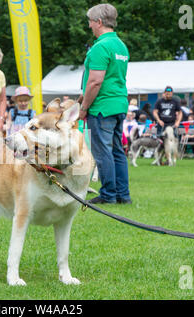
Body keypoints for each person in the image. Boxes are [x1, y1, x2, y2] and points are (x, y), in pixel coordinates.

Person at [78, 3, 131, 205]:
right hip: (118, 104)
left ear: (99, 22)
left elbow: (96, 81)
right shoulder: (120, 46)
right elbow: (110, 78)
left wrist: (84, 108)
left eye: (90, 22)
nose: (89, 26)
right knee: (117, 151)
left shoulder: (100, 47)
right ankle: (122, 195)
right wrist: (83, 97)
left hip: (101, 107)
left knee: (103, 152)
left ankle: (108, 195)